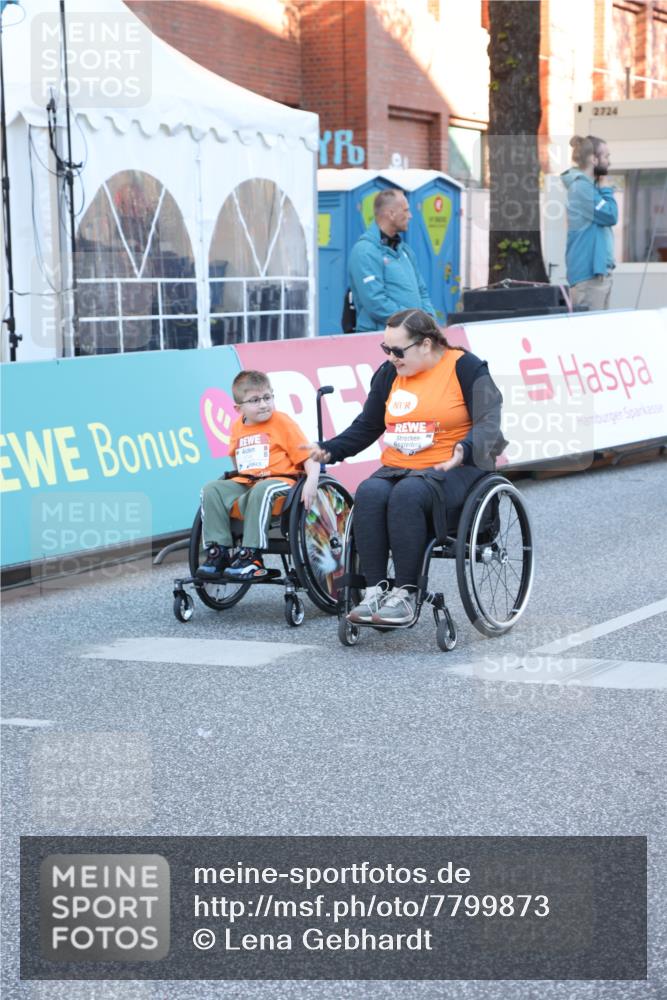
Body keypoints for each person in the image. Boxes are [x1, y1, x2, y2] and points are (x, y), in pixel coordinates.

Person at [304, 309, 506, 625]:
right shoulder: (390, 374)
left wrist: (464, 449)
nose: (391, 357)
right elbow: (367, 425)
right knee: (369, 491)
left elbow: (489, 421)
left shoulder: (465, 367)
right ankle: (375, 590)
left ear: (425, 344)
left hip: (455, 466)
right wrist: (328, 449)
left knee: (408, 494)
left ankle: (406, 593)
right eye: (386, 349)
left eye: (398, 351)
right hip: (400, 466)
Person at [197, 370, 319, 580]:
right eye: (255, 400)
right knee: (211, 489)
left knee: (262, 489)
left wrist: (312, 482)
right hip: (250, 482)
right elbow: (236, 459)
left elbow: (309, 457)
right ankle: (219, 552)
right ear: (238, 408)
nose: (263, 404)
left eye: (267, 397)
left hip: (282, 482)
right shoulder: (237, 426)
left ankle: (252, 556)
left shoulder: (282, 422)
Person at [348, 188, 436, 332]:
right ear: (391, 214)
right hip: (379, 338)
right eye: (406, 210)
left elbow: (422, 291)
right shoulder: (365, 251)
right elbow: (376, 303)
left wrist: (429, 320)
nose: (410, 216)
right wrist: (415, 323)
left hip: (411, 335)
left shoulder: (405, 250)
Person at [561, 135, 617, 310]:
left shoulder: (590, 187)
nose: (609, 162)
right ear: (594, 159)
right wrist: (605, 187)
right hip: (589, 278)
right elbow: (611, 215)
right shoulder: (581, 188)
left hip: (597, 276)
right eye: (606, 156)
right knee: (592, 327)